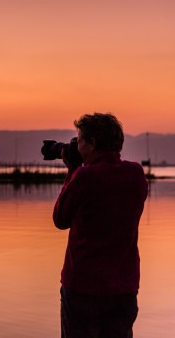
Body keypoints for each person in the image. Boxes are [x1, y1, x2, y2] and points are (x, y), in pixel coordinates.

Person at [53, 113, 148, 338]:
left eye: (80, 141)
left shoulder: (84, 176)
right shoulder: (135, 174)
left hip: (83, 288)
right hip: (124, 287)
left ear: (93, 143)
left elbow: (60, 219)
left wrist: (72, 171)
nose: (77, 147)